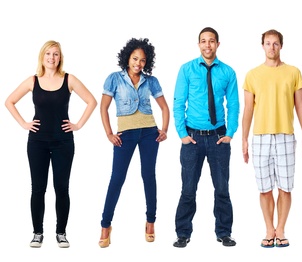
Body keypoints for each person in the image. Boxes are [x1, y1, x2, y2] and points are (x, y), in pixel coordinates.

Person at [4, 40, 97, 248]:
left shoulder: (69, 80)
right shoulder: (32, 81)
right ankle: (37, 233)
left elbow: (92, 101)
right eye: (48, 54)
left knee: (62, 188)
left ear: (60, 58)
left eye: (55, 54)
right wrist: (24, 124)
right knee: (38, 189)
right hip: (37, 142)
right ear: (42, 57)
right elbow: (9, 101)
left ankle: (61, 233)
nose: (52, 58)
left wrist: (78, 125)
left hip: (63, 142)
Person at [98, 38, 169, 248]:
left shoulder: (151, 81)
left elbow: (164, 107)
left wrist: (164, 130)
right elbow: (103, 108)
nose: (138, 63)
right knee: (117, 178)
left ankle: (150, 222)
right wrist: (109, 133)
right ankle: (105, 225)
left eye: (143, 60)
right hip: (124, 134)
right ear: (127, 58)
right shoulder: (114, 79)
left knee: (148, 176)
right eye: (135, 58)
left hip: (149, 133)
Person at [172, 27, 239, 248]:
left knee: (222, 188)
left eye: (211, 41)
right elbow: (178, 102)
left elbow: (234, 105)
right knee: (188, 189)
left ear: (218, 44)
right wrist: (182, 134)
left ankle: (224, 232)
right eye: (203, 41)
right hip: (192, 138)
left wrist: (230, 134)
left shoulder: (228, 72)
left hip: (218, 138)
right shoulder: (187, 69)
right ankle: (183, 233)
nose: (207, 45)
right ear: (198, 44)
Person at [241, 29, 302, 248]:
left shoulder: (293, 72)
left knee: (286, 187)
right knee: (264, 188)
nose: (272, 47)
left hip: (285, 136)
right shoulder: (252, 75)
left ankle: (281, 229)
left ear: (281, 46)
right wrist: (244, 139)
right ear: (262, 46)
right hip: (260, 136)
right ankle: (269, 229)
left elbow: (300, 105)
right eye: (268, 43)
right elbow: (248, 109)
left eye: (275, 44)